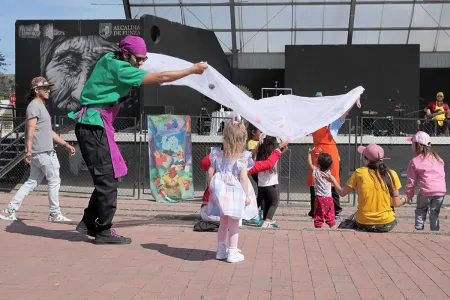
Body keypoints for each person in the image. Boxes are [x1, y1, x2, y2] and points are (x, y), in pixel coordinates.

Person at [68, 36, 208, 245]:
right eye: (139, 59)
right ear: (126, 54)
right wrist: (191, 70)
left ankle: (89, 222)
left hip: (96, 125)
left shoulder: (110, 58)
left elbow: (145, 66)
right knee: (107, 180)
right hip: (94, 125)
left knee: (109, 177)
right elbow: (161, 78)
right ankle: (103, 230)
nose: (142, 63)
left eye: (144, 59)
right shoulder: (121, 68)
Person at [0, 77, 75, 222]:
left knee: (31, 182)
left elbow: (49, 132)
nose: (48, 90)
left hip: (40, 153)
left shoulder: (40, 107)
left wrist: (65, 144)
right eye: (45, 88)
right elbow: (30, 130)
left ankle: (9, 210)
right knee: (54, 180)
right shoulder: (34, 106)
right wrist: (28, 151)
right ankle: (54, 213)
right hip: (43, 152)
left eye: (49, 88)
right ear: (36, 90)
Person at [205, 121, 258, 263]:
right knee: (234, 223)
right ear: (242, 139)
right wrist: (246, 195)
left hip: (219, 189)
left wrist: (211, 188)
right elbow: (243, 177)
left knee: (223, 223)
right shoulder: (243, 156)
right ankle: (232, 252)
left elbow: (211, 171)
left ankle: (221, 250)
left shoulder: (216, 153)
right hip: (234, 191)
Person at [199, 141, 288, 223]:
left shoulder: (216, 159)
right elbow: (268, 164)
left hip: (207, 211)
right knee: (244, 179)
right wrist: (279, 148)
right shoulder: (241, 164)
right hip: (227, 213)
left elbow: (204, 162)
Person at [325, 144, 406, 232]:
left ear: (365, 159)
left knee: (350, 219)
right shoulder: (391, 174)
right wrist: (405, 199)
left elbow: (342, 193)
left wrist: (333, 181)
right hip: (386, 223)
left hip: (364, 223)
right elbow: (396, 203)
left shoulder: (359, 173)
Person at [307, 92, 355, 219]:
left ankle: (335, 210)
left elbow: (344, 112)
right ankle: (315, 210)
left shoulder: (333, 120)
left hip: (330, 152)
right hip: (317, 152)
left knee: (332, 182)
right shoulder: (312, 120)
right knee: (314, 181)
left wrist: (353, 99)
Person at [406, 131, 446, 231]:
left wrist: (409, 194)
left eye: (412, 143)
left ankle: (419, 230)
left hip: (426, 191)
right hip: (440, 191)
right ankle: (435, 230)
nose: (411, 146)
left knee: (420, 210)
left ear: (417, 145)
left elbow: (411, 180)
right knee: (434, 212)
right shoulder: (438, 159)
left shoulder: (415, 161)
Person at [256, 136, 282, 228]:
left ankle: (265, 220)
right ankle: (267, 221)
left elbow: (281, 151)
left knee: (266, 202)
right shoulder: (273, 156)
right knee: (274, 202)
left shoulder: (259, 154)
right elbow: (280, 151)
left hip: (261, 184)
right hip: (270, 184)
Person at [307, 148, 336, 229]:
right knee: (330, 215)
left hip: (320, 198)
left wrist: (309, 154)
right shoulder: (328, 172)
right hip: (329, 198)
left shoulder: (317, 172)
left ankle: (318, 228)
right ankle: (333, 227)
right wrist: (321, 154)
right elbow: (326, 162)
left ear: (318, 164)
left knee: (318, 215)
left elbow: (310, 165)